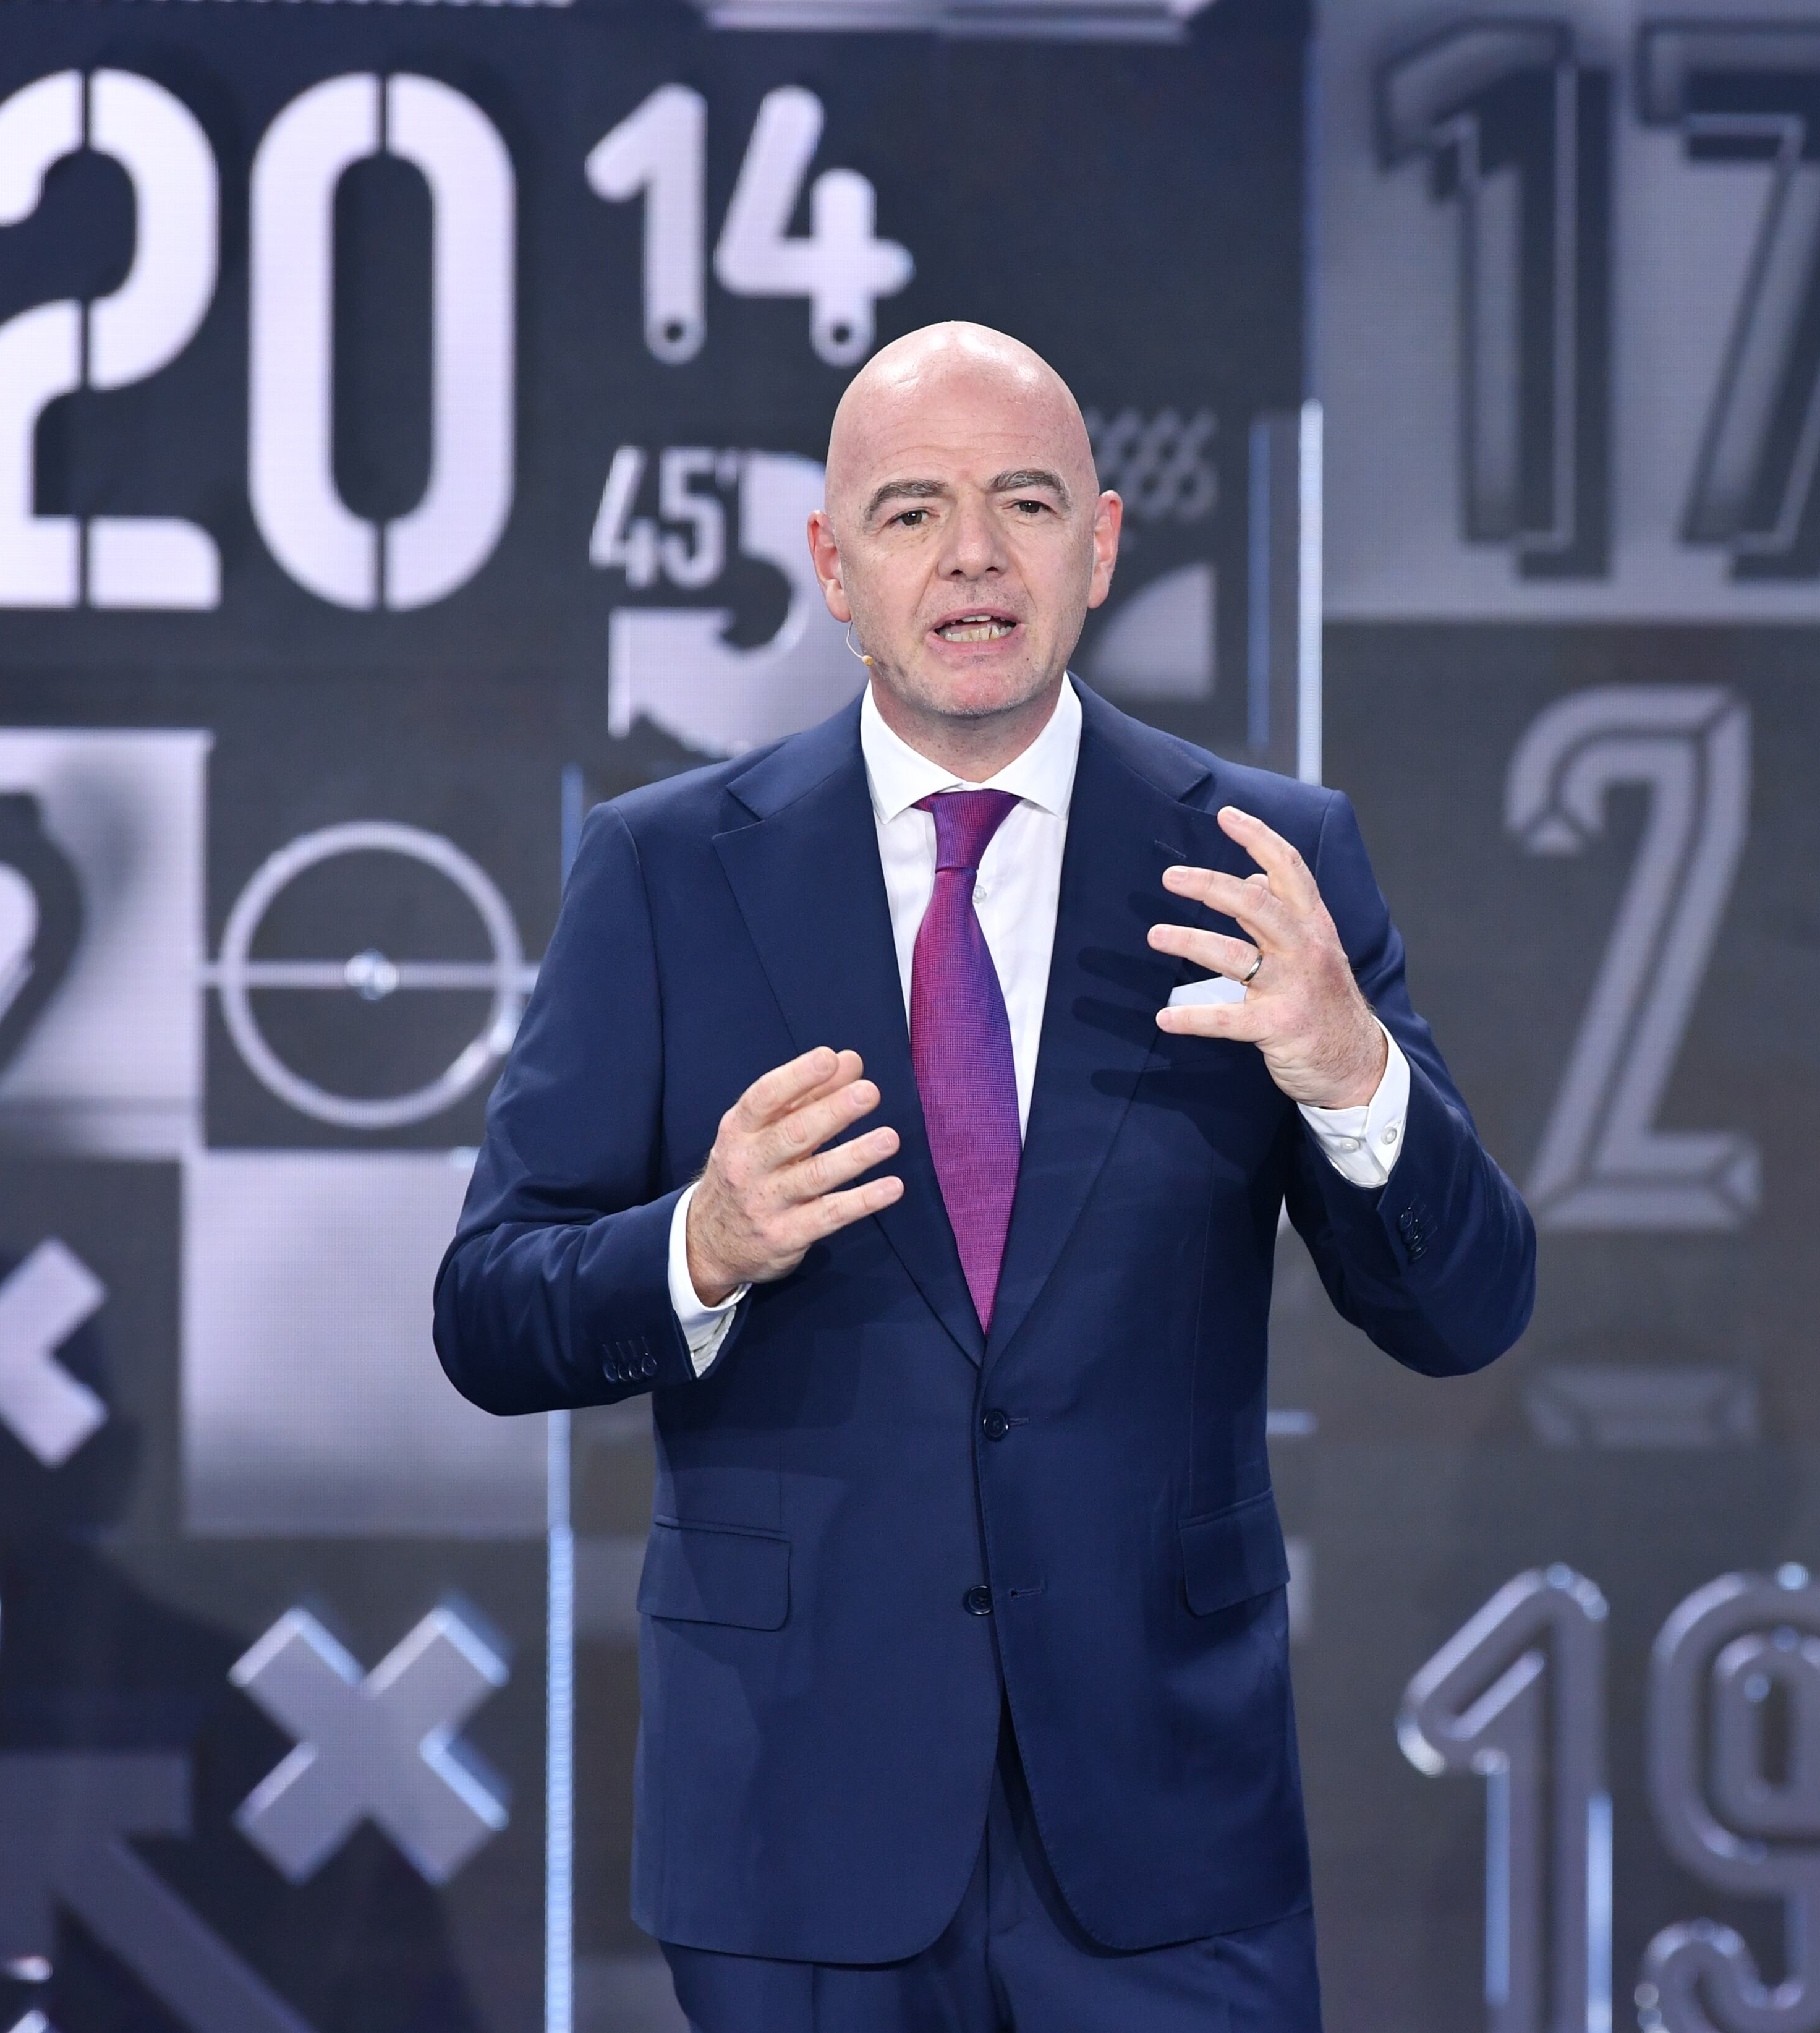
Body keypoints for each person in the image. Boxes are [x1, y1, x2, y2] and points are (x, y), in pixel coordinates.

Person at [434, 321, 1534, 2031]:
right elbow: (488, 1312)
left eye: (1024, 503)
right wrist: (699, 1249)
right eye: (911, 512)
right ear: (833, 570)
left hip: (1167, 1834)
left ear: (1099, 545)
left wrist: (1353, 1078)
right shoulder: (663, 872)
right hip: (800, 1829)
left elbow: (1468, 1312)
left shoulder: (1261, 861)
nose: (972, 557)